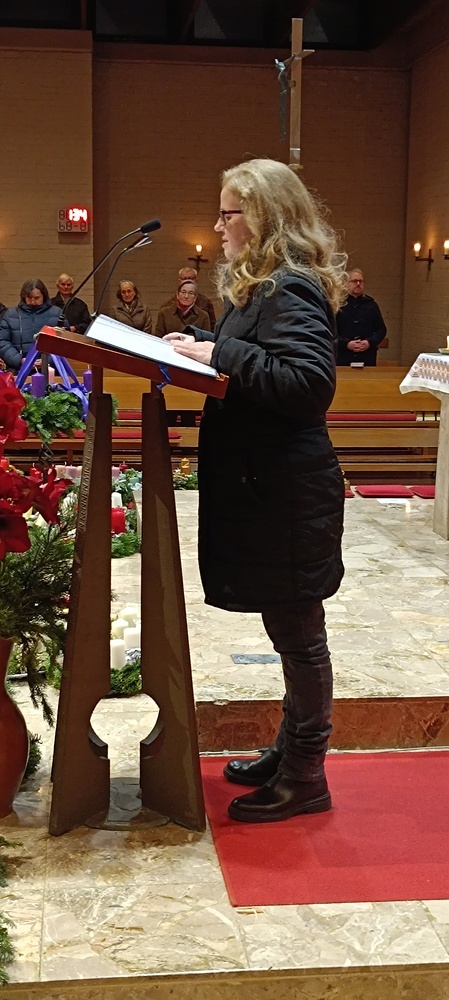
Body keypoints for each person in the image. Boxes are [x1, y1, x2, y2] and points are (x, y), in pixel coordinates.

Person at [163, 158, 346, 824]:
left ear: (262, 216)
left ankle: (306, 774)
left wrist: (219, 355)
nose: (217, 227)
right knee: (288, 631)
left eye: (228, 214)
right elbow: (261, 358)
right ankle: (288, 751)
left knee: (300, 637)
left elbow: (307, 384)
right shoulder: (263, 287)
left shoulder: (287, 286)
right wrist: (202, 343)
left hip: (288, 494)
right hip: (275, 489)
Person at [0, 279, 68, 373]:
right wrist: (19, 360)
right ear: (24, 297)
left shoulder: (58, 314)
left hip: (51, 371)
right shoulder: (11, 315)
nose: (32, 302)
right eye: (29, 298)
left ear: (44, 296)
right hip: (19, 370)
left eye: (36, 298)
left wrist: (47, 360)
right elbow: (3, 341)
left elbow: (65, 343)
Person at [336, 268, 386, 366]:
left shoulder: (371, 305)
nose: (358, 284)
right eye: (354, 281)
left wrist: (369, 342)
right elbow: (331, 332)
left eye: (361, 281)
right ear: (347, 284)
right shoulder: (338, 305)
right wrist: (346, 343)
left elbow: (381, 330)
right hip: (343, 356)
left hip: (367, 356)